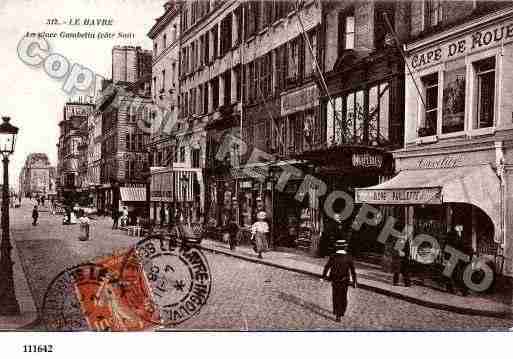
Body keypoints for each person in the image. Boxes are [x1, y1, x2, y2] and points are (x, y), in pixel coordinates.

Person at [321, 239, 357, 321]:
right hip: (345, 280)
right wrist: (355, 281)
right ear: (345, 247)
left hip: (335, 280)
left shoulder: (333, 256)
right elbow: (353, 271)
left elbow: (327, 267)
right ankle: (341, 312)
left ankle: (336, 312)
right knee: (343, 296)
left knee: (335, 295)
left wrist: (323, 276)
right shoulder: (348, 257)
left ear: (337, 247)